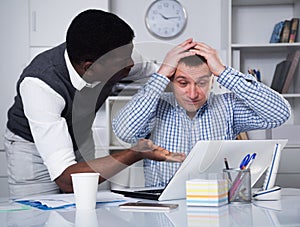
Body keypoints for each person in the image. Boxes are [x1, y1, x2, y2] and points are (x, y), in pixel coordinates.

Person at [4, 9, 185, 199]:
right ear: (90, 67)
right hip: (32, 149)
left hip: (80, 136)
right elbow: (67, 180)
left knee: (87, 206)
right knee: (38, 213)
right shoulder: (40, 85)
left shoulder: (119, 56)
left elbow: (161, 76)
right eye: (124, 61)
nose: (132, 64)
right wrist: (135, 153)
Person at [112, 38, 291, 187]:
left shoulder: (228, 106)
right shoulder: (155, 106)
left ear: (213, 81)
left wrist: (223, 71)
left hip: (217, 204)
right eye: (183, 83)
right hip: (164, 207)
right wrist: (162, 73)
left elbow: (279, 113)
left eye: (202, 82)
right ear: (171, 81)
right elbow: (125, 132)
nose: (193, 94)